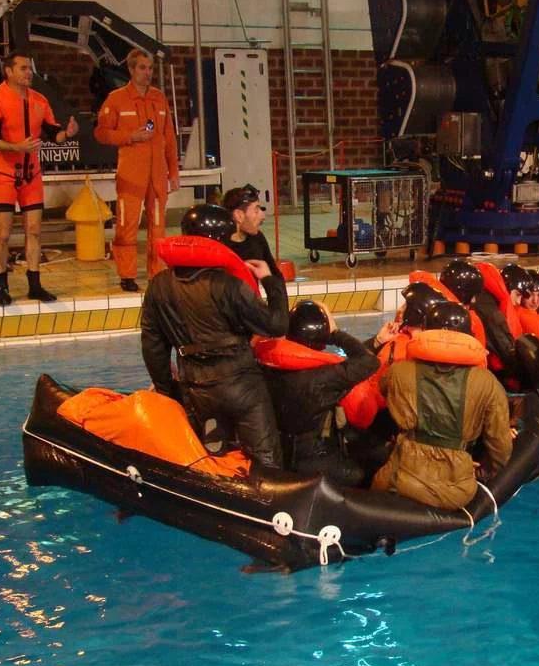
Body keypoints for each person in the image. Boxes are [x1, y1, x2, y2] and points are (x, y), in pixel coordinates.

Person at [139, 204, 289, 468]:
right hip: (241, 386)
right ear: (220, 242)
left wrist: (167, 389)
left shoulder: (158, 284)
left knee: (205, 461)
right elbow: (276, 325)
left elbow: (153, 345)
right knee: (267, 465)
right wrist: (271, 281)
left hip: (195, 388)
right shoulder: (228, 286)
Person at [371, 302, 512, 510]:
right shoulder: (487, 382)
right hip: (454, 490)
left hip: (396, 480)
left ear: (427, 331)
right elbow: (500, 447)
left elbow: (383, 400)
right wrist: (482, 473)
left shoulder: (398, 372)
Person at [0, 50, 78, 306]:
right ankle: (1, 285)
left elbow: (51, 132)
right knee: (3, 234)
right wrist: (16, 148)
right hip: (4, 173)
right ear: (9, 71)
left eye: (30, 68)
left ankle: (34, 284)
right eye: (24, 68)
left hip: (31, 175)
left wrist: (66, 134)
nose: (29, 73)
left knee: (34, 230)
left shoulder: (39, 100)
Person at [262, 300, 378, 484]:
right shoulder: (325, 377)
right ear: (323, 341)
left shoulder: (267, 367)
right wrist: (336, 334)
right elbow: (369, 362)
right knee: (364, 472)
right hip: (315, 458)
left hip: (280, 452)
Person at [94, 49, 179, 291]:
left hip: (157, 176)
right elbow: (101, 133)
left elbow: (169, 137)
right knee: (127, 225)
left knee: (158, 226)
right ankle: (127, 275)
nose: (147, 72)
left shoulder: (159, 98)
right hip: (131, 176)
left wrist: (174, 172)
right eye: (142, 67)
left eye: (150, 68)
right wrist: (130, 136)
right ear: (131, 70)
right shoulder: (117, 99)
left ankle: (157, 273)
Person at [222, 184, 283, 281]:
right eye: (256, 210)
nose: (263, 216)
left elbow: (275, 276)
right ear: (238, 215)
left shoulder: (257, 239)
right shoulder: (219, 247)